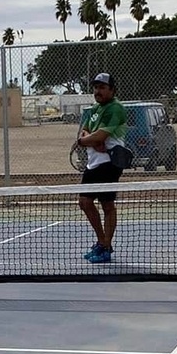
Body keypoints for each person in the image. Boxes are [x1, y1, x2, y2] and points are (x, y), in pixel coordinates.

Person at [75, 72, 128, 263]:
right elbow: (86, 130)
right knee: (84, 202)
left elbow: (99, 136)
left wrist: (84, 141)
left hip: (109, 164)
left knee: (107, 205)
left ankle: (105, 246)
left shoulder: (116, 108)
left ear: (112, 90)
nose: (97, 91)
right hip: (93, 162)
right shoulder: (96, 109)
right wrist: (89, 139)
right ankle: (102, 242)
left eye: (102, 87)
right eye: (96, 87)